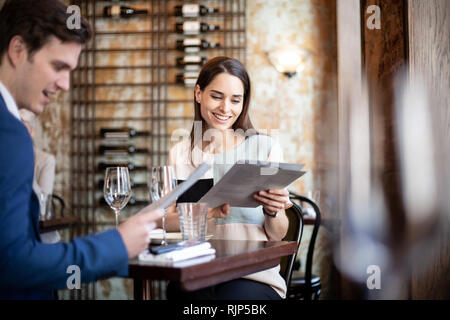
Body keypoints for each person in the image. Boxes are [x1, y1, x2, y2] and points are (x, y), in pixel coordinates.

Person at [0, 0, 163, 300]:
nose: (66, 84)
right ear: (18, 50)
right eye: (58, 66)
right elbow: (12, 264)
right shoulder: (10, 135)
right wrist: (118, 245)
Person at [165, 56, 293, 300]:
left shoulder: (264, 149)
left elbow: (277, 234)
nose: (226, 108)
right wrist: (205, 211)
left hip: (253, 275)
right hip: (196, 272)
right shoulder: (180, 153)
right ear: (198, 93)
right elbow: (164, 222)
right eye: (216, 96)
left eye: (236, 100)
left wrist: (273, 212)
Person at [19, 108, 60, 243]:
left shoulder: (45, 160)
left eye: (23, 130)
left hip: (40, 235)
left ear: (32, 132)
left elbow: (43, 206)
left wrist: (23, 165)